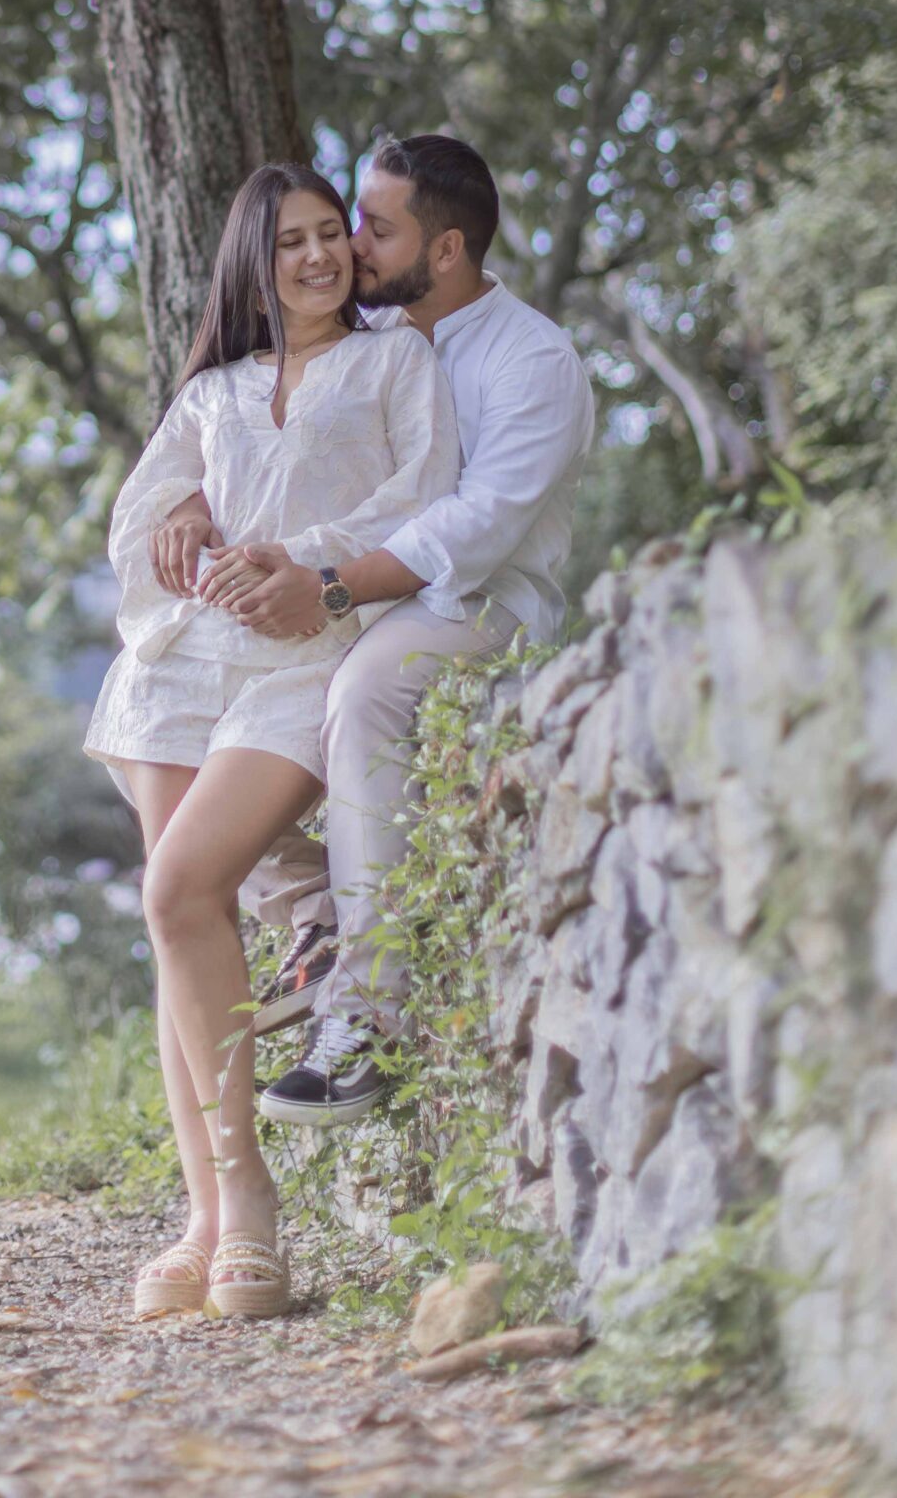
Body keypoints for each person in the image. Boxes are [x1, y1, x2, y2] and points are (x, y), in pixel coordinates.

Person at [150, 134, 596, 1129]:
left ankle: (366, 1015)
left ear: (442, 250)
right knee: (185, 686)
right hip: (344, 585)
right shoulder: (362, 338)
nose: (350, 244)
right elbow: (253, 445)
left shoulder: (533, 360)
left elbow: (475, 529)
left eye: (374, 226)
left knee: (365, 690)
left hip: (473, 606)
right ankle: (312, 907)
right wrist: (185, 501)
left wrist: (329, 587)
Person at [86, 162, 461, 1320]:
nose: (316, 257)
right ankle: (205, 1220)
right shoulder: (216, 391)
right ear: (254, 262)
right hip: (182, 669)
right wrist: (188, 516)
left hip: (302, 662)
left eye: (327, 236)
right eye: (289, 241)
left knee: (181, 887)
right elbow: (141, 514)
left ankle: (248, 1203)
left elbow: (427, 492)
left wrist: (307, 566)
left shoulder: (397, 359)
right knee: (178, 921)